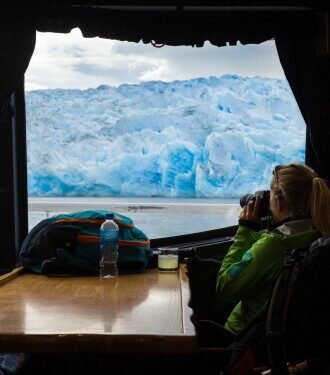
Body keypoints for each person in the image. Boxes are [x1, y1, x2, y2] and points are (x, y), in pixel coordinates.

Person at [216, 163, 330, 335]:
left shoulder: (273, 247)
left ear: (279, 202)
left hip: (242, 341)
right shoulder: (320, 238)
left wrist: (245, 229)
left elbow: (225, 287)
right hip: (289, 342)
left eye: (270, 198)